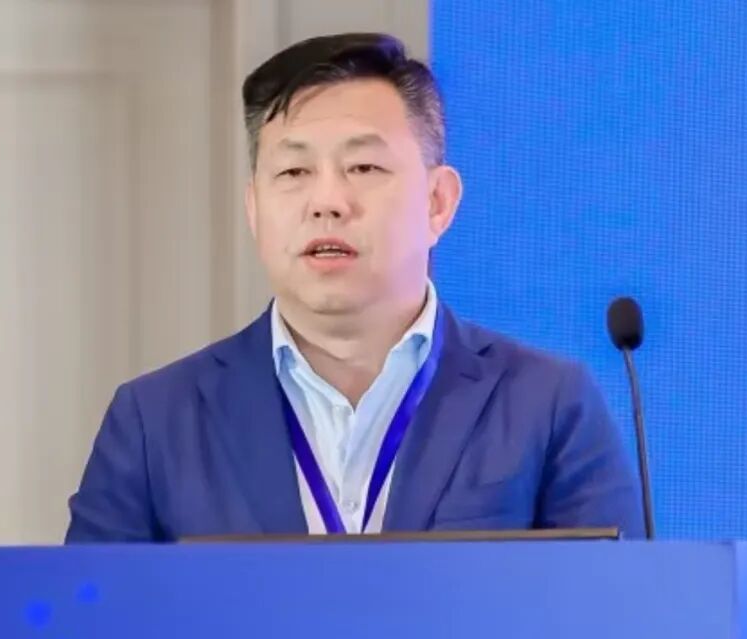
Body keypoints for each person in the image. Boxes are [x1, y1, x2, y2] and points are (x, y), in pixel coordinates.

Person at [65, 33, 644, 542]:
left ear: (438, 202)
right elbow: (89, 621)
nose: (327, 202)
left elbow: (613, 615)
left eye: (364, 168)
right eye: (294, 172)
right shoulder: (155, 421)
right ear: (254, 208)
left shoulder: (547, 404)